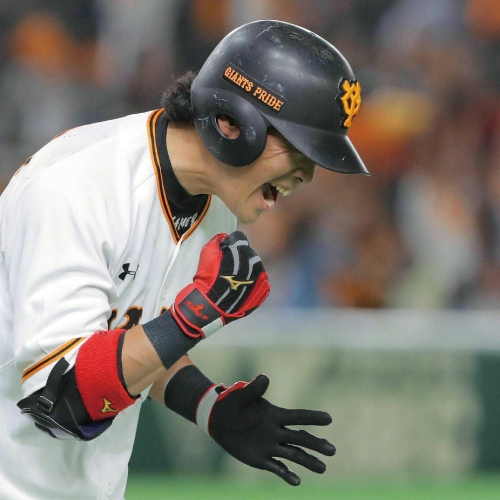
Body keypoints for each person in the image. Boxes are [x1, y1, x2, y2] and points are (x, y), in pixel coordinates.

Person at [0, 20, 367, 500]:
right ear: (231, 123)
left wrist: (207, 405)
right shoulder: (75, 188)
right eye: (299, 149)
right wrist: (191, 319)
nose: (308, 175)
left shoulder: (214, 199)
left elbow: (129, 339)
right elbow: (61, 401)